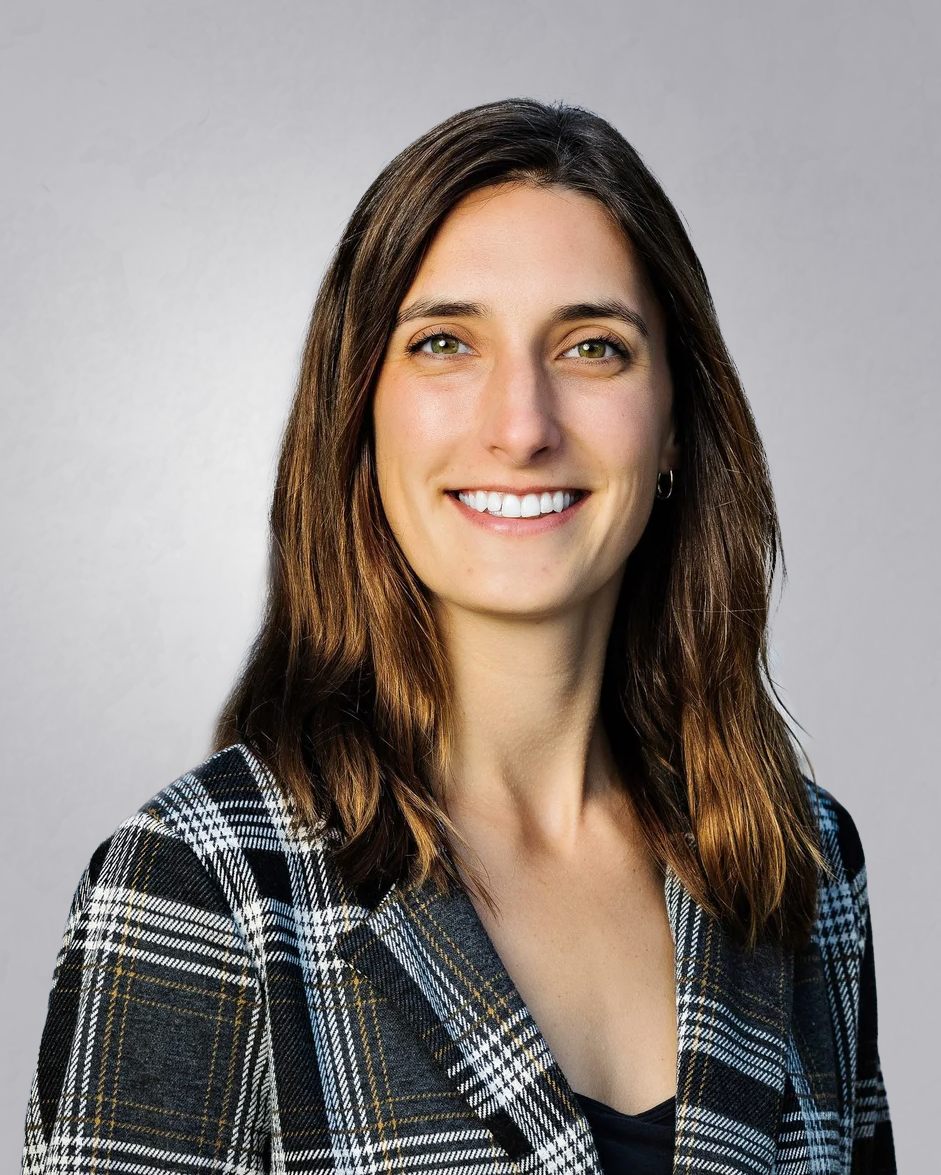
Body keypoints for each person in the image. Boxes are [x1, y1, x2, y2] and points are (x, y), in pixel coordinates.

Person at [22, 98, 895, 1175]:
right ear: (361, 411)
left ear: (672, 422)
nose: (520, 423)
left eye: (592, 346)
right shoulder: (201, 886)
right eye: (443, 342)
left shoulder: (796, 868)